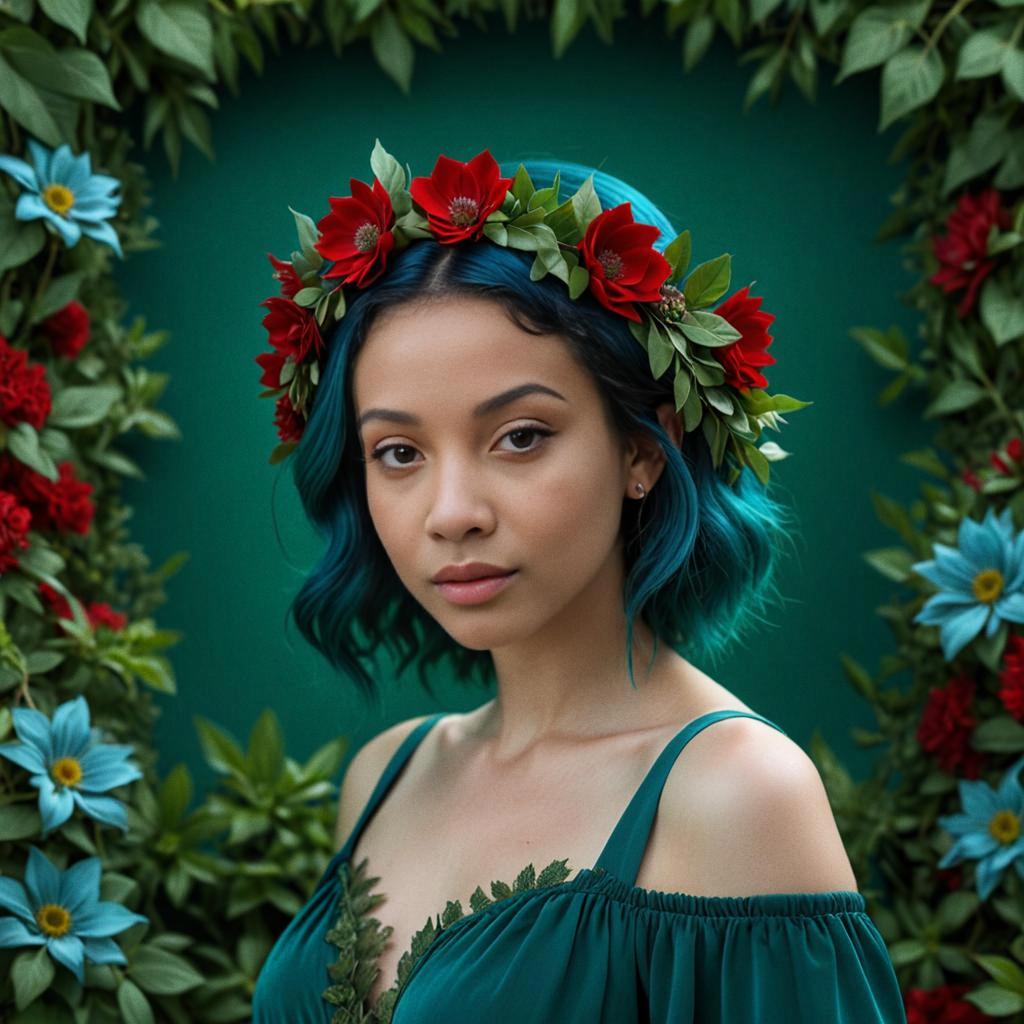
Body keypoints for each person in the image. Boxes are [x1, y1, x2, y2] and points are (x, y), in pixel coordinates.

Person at [251, 144, 907, 1022]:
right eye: (398, 452)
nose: (452, 513)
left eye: (519, 436)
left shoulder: (735, 793)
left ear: (645, 449)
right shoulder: (386, 774)